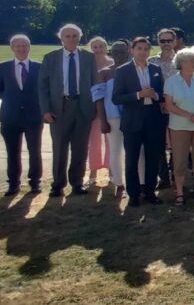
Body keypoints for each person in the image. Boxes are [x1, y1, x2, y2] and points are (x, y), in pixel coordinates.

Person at [39, 23, 99, 197]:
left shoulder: (88, 57)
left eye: (75, 36)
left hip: (82, 107)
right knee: (59, 148)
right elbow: (42, 87)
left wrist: (94, 108)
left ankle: (77, 183)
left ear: (80, 38)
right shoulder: (51, 58)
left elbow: (95, 84)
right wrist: (46, 111)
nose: (71, 39)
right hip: (59, 108)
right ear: (61, 38)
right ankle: (57, 184)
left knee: (80, 148)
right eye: (68, 36)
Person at [112, 37, 165, 207]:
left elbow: (162, 93)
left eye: (146, 49)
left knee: (152, 158)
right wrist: (138, 95)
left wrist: (155, 95)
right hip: (133, 121)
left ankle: (150, 191)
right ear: (132, 50)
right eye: (139, 48)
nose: (143, 52)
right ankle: (133, 194)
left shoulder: (156, 69)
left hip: (153, 120)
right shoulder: (123, 71)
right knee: (132, 160)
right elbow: (116, 98)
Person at [164, 48, 194, 206]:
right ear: (182, 63)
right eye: (192, 60)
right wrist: (188, 115)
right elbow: (169, 105)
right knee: (179, 160)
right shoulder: (171, 81)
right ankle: (179, 192)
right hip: (179, 126)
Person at [0, 34, 43, 196]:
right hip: (10, 117)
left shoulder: (39, 67)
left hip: (33, 116)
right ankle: (13, 184)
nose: (21, 49)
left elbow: (43, 90)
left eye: (25, 46)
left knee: (34, 151)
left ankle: (35, 182)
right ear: (12, 48)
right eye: (18, 46)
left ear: (29, 47)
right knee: (12, 152)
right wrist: (14, 102)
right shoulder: (2, 67)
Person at [92, 40, 139, 199]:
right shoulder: (104, 73)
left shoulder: (135, 70)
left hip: (133, 116)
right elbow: (98, 98)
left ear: (129, 52)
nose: (120, 55)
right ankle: (119, 183)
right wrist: (103, 120)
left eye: (123, 52)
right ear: (111, 54)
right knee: (115, 150)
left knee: (136, 151)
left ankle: (139, 181)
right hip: (112, 117)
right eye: (116, 52)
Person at [149, 28, 178, 189]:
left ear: (174, 41)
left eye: (169, 40)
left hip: (178, 109)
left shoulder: (181, 60)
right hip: (157, 108)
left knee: (177, 144)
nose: (166, 44)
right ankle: (163, 177)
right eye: (162, 41)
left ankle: (176, 174)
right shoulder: (152, 62)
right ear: (158, 42)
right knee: (158, 144)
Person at [86, 36, 113, 186]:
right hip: (91, 106)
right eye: (94, 47)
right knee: (93, 140)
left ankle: (111, 170)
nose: (97, 49)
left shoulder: (112, 63)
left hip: (109, 106)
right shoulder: (88, 64)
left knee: (110, 139)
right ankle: (93, 171)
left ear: (105, 47)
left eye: (100, 46)